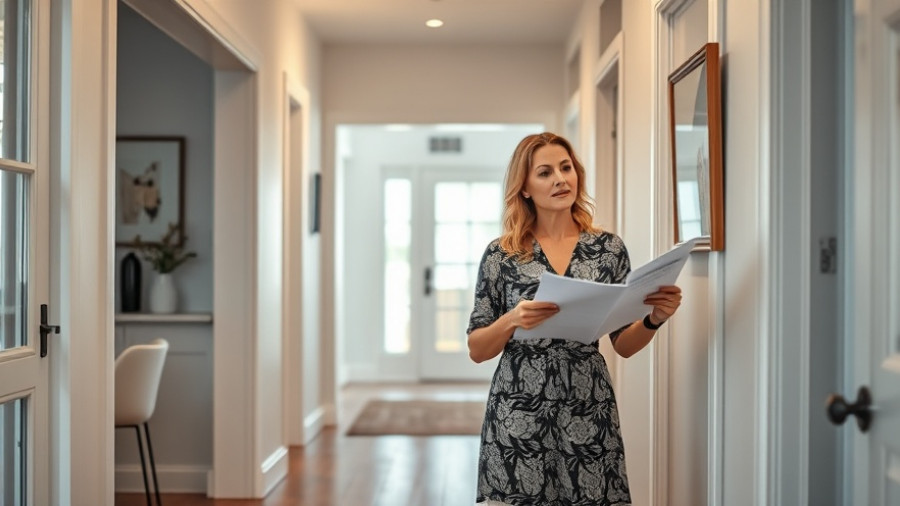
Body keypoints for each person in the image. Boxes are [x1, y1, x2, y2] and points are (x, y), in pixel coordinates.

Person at [467, 132, 683, 506]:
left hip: (588, 402)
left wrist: (654, 319)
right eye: (545, 172)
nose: (560, 179)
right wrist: (512, 320)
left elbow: (624, 346)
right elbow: (477, 349)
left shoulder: (608, 249)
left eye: (566, 168)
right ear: (525, 188)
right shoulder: (501, 254)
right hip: (519, 407)